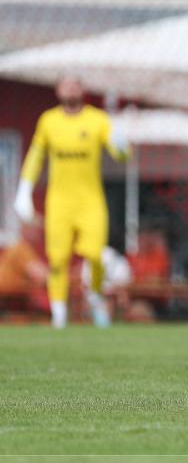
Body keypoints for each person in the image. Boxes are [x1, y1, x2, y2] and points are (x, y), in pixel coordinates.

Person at [13, 77, 129, 328]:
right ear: (57, 90)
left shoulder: (97, 119)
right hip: (59, 202)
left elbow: (120, 152)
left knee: (96, 255)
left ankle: (95, 295)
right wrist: (24, 189)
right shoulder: (48, 121)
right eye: (66, 85)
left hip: (90, 200)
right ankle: (59, 315)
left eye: (76, 84)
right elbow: (35, 155)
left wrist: (121, 144)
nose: (71, 89)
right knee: (57, 259)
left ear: (82, 90)